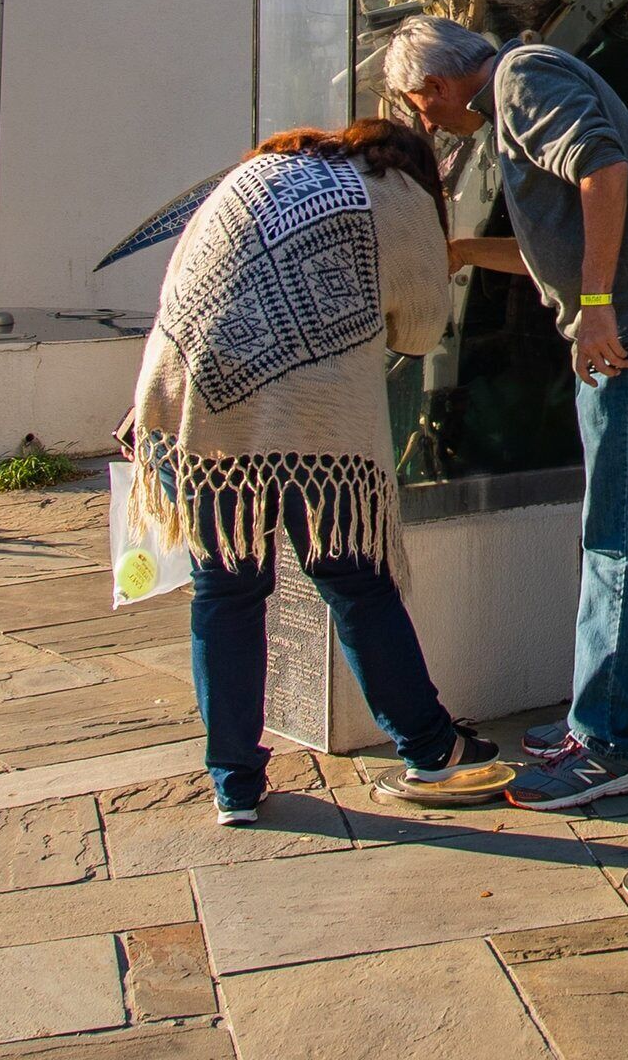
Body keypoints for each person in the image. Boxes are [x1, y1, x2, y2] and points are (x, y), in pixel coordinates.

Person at [384, 13, 628, 812]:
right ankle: (620, 714)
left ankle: (610, 743)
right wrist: (465, 253)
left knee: (619, 534)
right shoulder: (516, 91)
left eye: (415, 105)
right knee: (616, 528)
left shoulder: (522, 78)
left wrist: (599, 306)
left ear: (435, 84)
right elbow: (558, 246)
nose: (422, 122)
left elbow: (603, 171)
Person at [123, 119, 495, 823]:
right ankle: (430, 747)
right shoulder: (395, 192)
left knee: (225, 591)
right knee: (355, 581)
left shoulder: (253, 174)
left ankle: (233, 784)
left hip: (191, 410)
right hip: (311, 429)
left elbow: (180, 292)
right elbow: (419, 328)